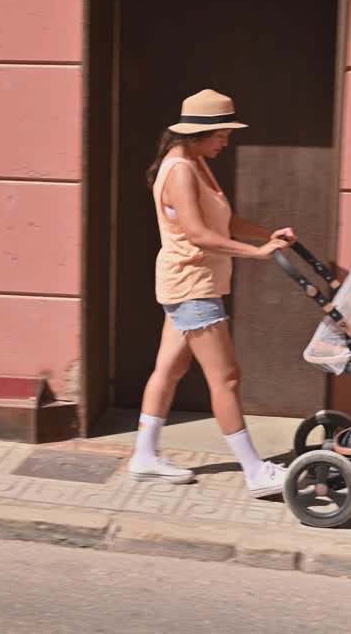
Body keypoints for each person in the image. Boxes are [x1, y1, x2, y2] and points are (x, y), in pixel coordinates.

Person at [128, 89, 296, 499]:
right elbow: (200, 235)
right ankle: (255, 471)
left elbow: (225, 220)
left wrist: (266, 233)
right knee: (227, 378)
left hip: (191, 283)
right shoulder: (180, 170)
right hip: (193, 286)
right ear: (200, 134)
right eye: (222, 134)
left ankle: (144, 456)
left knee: (169, 370)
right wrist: (257, 253)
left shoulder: (196, 162)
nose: (226, 141)